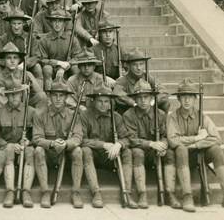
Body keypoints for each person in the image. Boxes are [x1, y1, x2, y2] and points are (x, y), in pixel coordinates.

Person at [167, 79, 224, 212]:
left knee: (216, 150)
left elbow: (217, 138)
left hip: (200, 154)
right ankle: (187, 196)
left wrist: (196, 145)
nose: (187, 100)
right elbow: (172, 140)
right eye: (183, 97)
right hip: (182, 158)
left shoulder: (201, 116)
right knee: (180, 149)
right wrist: (196, 138)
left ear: (194, 99)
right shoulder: (173, 117)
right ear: (179, 99)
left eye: (190, 97)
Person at [123, 79, 179, 210]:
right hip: (141, 152)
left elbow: (166, 135)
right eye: (140, 97)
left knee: (170, 153)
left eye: (146, 97)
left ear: (152, 98)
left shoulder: (160, 114)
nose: (143, 100)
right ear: (135, 99)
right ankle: (142, 194)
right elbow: (131, 139)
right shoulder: (129, 115)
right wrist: (151, 144)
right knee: (137, 152)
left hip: (157, 151)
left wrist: (163, 145)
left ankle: (170, 193)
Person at [80, 84, 134, 209]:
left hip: (110, 156)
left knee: (127, 153)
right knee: (85, 150)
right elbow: (81, 140)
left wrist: (119, 145)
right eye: (100, 101)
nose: (103, 105)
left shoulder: (116, 117)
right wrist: (103, 145)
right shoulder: (85, 115)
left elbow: (126, 138)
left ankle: (127, 192)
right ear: (93, 101)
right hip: (93, 155)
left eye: (106, 101)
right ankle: (96, 193)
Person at [32, 82, 84, 208]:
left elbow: (78, 137)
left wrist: (66, 144)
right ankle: (45, 192)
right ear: (49, 97)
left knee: (78, 151)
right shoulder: (40, 114)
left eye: (61, 95)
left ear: (66, 97)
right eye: (55, 95)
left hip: (66, 153)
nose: (58, 98)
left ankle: (76, 192)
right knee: (38, 150)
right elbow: (36, 138)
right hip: (49, 153)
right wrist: (52, 143)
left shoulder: (73, 115)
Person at [0, 79, 36, 208]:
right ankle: (10, 191)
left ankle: (26, 192)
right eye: (10, 94)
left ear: (21, 94)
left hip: (25, 147)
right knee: (8, 151)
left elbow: (36, 134)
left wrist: (29, 141)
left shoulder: (31, 112)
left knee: (30, 152)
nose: (14, 97)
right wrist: (7, 144)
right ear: (6, 95)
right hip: (7, 148)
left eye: (17, 94)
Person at [0, 43, 47, 111]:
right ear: (3, 60)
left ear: (19, 60)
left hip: (26, 104)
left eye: (15, 57)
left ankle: (37, 120)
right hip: (8, 107)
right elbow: (1, 99)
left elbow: (39, 92)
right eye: (9, 58)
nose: (12, 61)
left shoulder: (26, 74)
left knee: (42, 96)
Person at [114, 48, 170, 112]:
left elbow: (163, 90)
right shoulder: (123, 80)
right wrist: (133, 103)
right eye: (135, 65)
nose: (139, 68)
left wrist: (152, 101)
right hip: (131, 110)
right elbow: (117, 93)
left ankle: (159, 121)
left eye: (141, 64)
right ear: (129, 66)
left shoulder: (148, 77)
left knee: (165, 103)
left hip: (147, 107)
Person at [37, 10, 82, 90]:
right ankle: (48, 95)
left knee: (76, 69)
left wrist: (67, 64)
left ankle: (77, 95)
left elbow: (78, 57)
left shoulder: (72, 39)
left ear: (64, 23)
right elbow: (42, 59)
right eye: (54, 21)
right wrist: (58, 63)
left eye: (60, 21)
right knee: (47, 69)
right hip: (52, 68)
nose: (57, 24)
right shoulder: (44, 40)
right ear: (51, 22)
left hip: (68, 67)